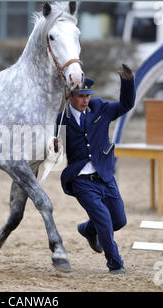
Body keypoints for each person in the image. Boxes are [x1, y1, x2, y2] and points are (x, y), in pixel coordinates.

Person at [56, 64, 135, 274]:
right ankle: (115, 264)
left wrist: (127, 82)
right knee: (105, 221)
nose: (85, 100)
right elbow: (56, 150)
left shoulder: (101, 109)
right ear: (70, 96)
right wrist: (53, 145)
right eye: (80, 96)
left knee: (119, 220)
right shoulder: (61, 120)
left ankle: (87, 229)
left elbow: (127, 104)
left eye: (87, 96)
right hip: (81, 181)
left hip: (106, 176)